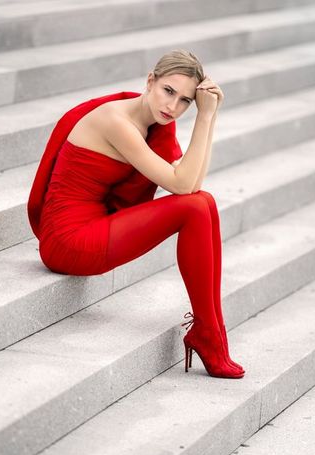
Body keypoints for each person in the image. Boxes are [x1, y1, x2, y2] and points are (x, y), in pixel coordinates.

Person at [27, 50, 244, 379]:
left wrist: (209, 116)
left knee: (204, 202)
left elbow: (192, 181)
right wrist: (203, 118)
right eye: (168, 91)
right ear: (150, 81)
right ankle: (209, 334)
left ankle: (211, 331)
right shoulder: (117, 122)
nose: (173, 107)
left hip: (96, 223)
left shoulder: (153, 124)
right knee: (195, 205)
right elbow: (183, 184)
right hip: (67, 241)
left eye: (186, 101)